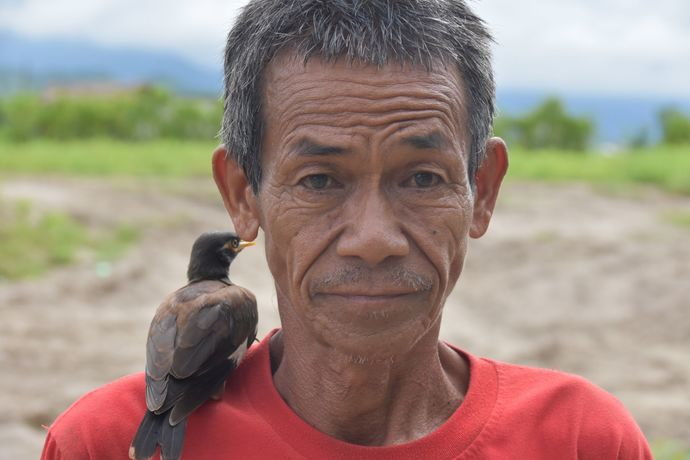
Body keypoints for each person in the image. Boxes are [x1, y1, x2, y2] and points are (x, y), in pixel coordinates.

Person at [42, 1, 653, 458]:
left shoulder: (580, 439)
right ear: (242, 196)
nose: (373, 237)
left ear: (482, 192)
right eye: (319, 181)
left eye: (421, 178)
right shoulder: (106, 443)